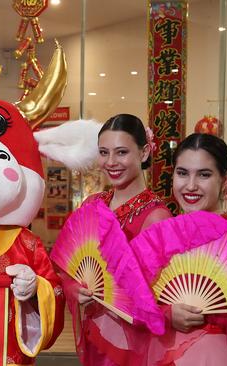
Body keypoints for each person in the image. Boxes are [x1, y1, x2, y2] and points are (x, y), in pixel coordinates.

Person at [142, 133, 227, 365]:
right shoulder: (155, 238)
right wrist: (166, 315)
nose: (191, 186)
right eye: (182, 173)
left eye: (204, 174)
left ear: (226, 178)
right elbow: (128, 303)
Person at [63, 113, 172, 365]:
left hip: (133, 341)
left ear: (144, 154)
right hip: (94, 328)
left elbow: (160, 296)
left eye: (121, 152)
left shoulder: (156, 217)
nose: (111, 162)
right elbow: (68, 269)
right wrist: (75, 289)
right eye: (104, 152)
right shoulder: (92, 204)